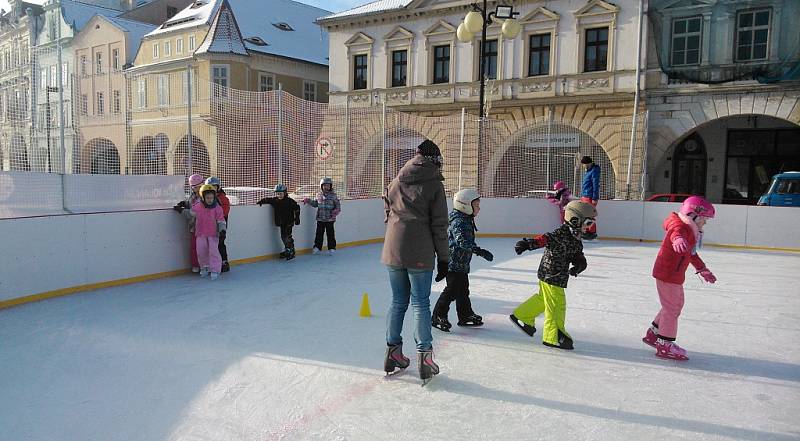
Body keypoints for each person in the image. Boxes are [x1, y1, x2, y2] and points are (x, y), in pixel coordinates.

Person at [381, 139, 449, 382]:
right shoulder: (434, 184)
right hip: (419, 251)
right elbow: (440, 224)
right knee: (420, 302)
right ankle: (425, 357)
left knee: (398, 301)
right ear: (433, 159)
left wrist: (394, 225)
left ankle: (393, 352)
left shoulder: (396, 180)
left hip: (392, 249)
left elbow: (387, 206)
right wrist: (444, 258)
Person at [510, 200, 596, 350]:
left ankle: (522, 315)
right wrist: (526, 244)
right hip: (551, 274)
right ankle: (553, 336)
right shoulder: (560, 233)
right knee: (556, 304)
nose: (588, 228)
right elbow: (544, 239)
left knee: (544, 300)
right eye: (587, 223)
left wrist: (580, 263)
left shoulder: (576, 239)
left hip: (554, 274)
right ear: (574, 220)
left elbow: (576, 254)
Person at [643, 196, 717, 361]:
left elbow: (691, 253)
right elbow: (674, 228)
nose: (704, 223)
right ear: (693, 215)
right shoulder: (681, 227)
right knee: (672, 308)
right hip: (668, 273)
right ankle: (665, 344)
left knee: (673, 305)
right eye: (704, 219)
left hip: (673, 274)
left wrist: (702, 269)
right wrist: (677, 238)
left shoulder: (690, 230)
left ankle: (654, 333)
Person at [431, 188, 494, 332]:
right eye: (476, 205)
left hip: (461, 263)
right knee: (451, 291)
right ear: (465, 205)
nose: (479, 209)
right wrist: (480, 251)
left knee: (463, 290)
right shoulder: (459, 221)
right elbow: (462, 241)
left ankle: (465, 315)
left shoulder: (465, 218)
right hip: (453, 263)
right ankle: (438, 315)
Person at [191, 184, 227, 280]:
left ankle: (215, 269)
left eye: (211, 197)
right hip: (200, 233)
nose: (210, 200)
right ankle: (204, 267)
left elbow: (221, 220)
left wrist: (222, 230)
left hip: (213, 234)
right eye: (207, 198)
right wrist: (183, 210)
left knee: (213, 251)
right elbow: (191, 212)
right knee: (201, 251)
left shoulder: (217, 208)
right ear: (203, 197)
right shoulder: (198, 206)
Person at [257, 184, 301, 261]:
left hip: (289, 222)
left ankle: (290, 251)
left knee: (286, 236)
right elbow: (268, 200)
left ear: (285, 193)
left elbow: (297, 208)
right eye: (277, 193)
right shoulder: (275, 200)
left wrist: (297, 218)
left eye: (281, 193)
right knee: (283, 236)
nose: (279, 195)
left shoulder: (289, 201)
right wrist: (262, 201)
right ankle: (289, 249)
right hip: (281, 222)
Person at [173, 173, 204, 273]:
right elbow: (191, 204)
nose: (197, 189)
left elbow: (195, 213)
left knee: (202, 247)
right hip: (194, 228)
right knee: (194, 247)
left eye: (199, 186)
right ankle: (196, 265)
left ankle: (203, 265)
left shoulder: (204, 197)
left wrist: (182, 211)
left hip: (202, 227)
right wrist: (184, 203)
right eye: (195, 187)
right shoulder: (193, 195)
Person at [303, 177, 341, 255]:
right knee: (319, 234)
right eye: (325, 185)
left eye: (328, 185)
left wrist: (335, 211)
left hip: (330, 218)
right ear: (321, 186)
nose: (327, 187)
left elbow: (338, 205)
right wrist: (308, 201)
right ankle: (317, 247)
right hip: (320, 218)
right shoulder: (318, 195)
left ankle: (332, 248)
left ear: (331, 186)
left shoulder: (333, 195)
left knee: (330, 234)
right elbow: (315, 204)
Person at [205, 177, 231, 272]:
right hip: (209, 226)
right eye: (210, 187)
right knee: (210, 245)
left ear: (218, 187)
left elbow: (224, 212)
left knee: (220, 243)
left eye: (214, 187)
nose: (212, 189)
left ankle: (224, 262)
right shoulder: (206, 198)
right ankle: (212, 263)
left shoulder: (223, 199)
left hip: (220, 227)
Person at [579, 156, 600, 240]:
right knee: (584, 215)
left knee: (589, 215)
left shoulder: (594, 171)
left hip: (590, 196)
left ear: (589, 163)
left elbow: (595, 185)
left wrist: (595, 197)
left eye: (585, 164)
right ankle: (587, 231)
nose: (584, 166)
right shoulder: (588, 171)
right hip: (585, 195)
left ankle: (592, 232)